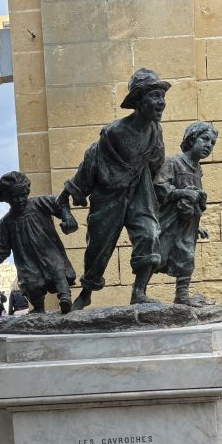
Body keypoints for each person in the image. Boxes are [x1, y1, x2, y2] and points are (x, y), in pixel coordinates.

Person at [58, 67, 171, 309]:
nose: (161, 102)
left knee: (150, 234)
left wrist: (161, 192)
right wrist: (70, 193)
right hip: (110, 194)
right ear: (138, 100)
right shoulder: (114, 132)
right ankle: (86, 293)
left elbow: (156, 164)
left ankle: (139, 292)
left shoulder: (155, 130)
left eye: (162, 97)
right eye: (155, 96)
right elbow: (92, 161)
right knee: (99, 247)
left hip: (139, 190)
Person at [0, 171, 78, 314]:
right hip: (26, 259)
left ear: (27, 192)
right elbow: (2, 245)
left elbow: (59, 202)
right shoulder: (6, 221)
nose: (20, 200)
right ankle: (38, 307)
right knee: (30, 283)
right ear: (7, 199)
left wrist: (67, 216)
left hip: (48, 249)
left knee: (57, 269)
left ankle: (65, 297)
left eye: (23, 195)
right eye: (14, 197)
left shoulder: (39, 203)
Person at [154, 121, 218, 306]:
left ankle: (181, 296)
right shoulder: (174, 162)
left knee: (187, 257)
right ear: (191, 139)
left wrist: (197, 226)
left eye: (212, 143)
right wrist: (183, 193)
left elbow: (195, 198)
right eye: (205, 139)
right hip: (168, 221)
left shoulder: (198, 170)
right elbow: (160, 187)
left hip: (187, 224)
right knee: (156, 257)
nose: (209, 145)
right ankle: (139, 292)